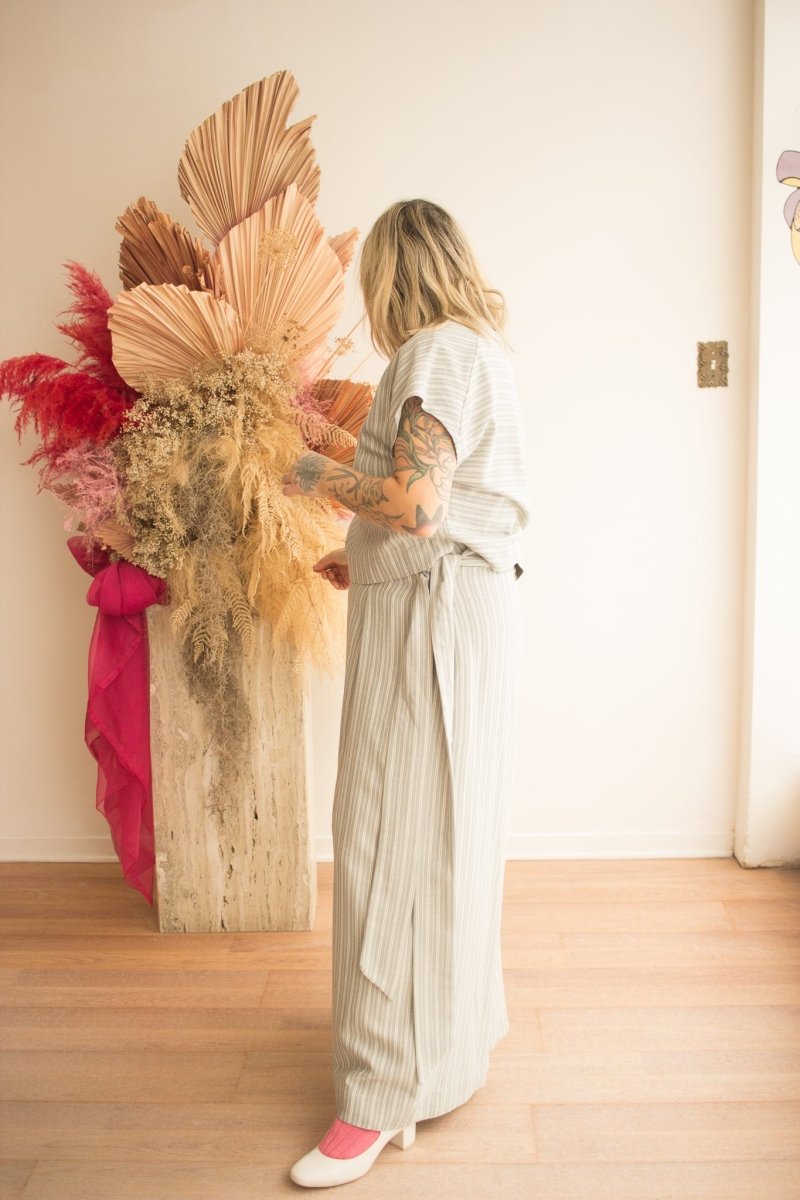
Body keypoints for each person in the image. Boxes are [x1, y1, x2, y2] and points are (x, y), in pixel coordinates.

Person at [281, 198, 532, 1188]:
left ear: (392, 274)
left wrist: (309, 469)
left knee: (385, 839)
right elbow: (448, 507)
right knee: (444, 835)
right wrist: (364, 553)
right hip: (460, 611)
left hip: (432, 619)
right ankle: (448, 1049)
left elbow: (419, 505)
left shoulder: (432, 351)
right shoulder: (478, 351)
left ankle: (378, 1096)